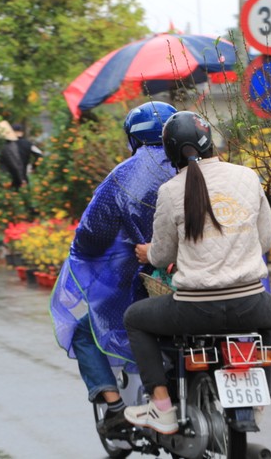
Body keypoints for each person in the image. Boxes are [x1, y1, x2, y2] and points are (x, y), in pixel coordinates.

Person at [123, 111, 271, 435]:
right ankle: (261, 397)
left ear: (169, 153)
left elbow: (164, 254)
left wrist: (148, 252)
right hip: (251, 305)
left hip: (193, 310)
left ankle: (162, 407)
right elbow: (266, 238)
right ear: (211, 141)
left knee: (134, 318)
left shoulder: (170, 190)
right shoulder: (247, 177)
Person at [49, 101, 177, 437]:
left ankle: (115, 406)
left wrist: (88, 252)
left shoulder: (123, 177)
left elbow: (92, 234)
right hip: (230, 289)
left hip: (150, 281)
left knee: (86, 329)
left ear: (133, 138)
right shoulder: (205, 169)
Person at [0, 121, 26, 189]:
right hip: (7, 178)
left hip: (5, 179)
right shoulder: (10, 146)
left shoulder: (4, 146)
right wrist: (21, 179)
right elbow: (16, 163)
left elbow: (14, 163)